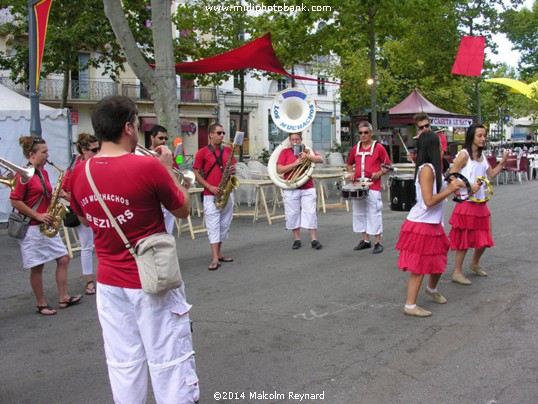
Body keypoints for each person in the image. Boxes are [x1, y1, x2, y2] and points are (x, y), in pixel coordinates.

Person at [69, 96, 199, 403]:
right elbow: (183, 210)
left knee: (123, 362)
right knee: (169, 359)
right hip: (151, 281)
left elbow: (88, 219)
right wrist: (167, 168)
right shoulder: (148, 167)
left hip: (109, 283)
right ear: (129, 127)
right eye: (138, 122)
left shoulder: (80, 172)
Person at [396, 131, 465, 317]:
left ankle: (431, 289)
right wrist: (450, 189)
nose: (444, 148)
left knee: (439, 257)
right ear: (433, 148)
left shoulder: (434, 168)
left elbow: (444, 188)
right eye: (441, 145)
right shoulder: (427, 169)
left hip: (432, 224)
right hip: (421, 224)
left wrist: (461, 186)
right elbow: (428, 201)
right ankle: (410, 305)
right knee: (419, 266)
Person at [10, 136, 81, 315]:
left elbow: (46, 194)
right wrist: (38, 215)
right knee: (38, 266)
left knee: (64, 258)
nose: (47, 155)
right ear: (32, 154)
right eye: (44, 152)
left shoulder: (44, 173)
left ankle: (63, 297)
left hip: (46, 222)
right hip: (32, 227)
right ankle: (41, 304)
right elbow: (15, 201)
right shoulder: (23, 174)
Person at [448, 123, 509, 285]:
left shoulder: (482, 157)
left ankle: (474, 263)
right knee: (464, 240)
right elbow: (451, 177)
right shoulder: (464, 155)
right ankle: (457, 272)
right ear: (471, 137)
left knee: (486, 236)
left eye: (484, 135)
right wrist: (468, 185)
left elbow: (491, 174)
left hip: (481, 203)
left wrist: (502, 162)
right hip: (466, 203)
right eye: (479, 136)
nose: (483, 138)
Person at [193, 123, 236, 270]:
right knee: (213, 226)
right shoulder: (202, 152)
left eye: (223, 133)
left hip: (226, 193)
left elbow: (232, 171)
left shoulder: (229, 150)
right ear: (211, 135)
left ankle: (219, 253)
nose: (222, 136)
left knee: (224, 225)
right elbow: (196, 173)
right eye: (219, 133)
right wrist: (210, 187)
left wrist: (232, 170)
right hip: (210, 194)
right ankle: (215, 258)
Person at [62, 133, 100, 295]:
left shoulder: (98, 163)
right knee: (86, 246)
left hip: (99, 210)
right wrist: (81, 202)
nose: (98, 152)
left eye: (99, 148)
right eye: (94, 149)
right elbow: (65, 191)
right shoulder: (76, 168)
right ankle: (89, 282)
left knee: (101, 245)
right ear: (84, 150)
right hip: (84, 211)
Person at [346, 122, 391, 254]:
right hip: (358, 185)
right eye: (361, 133)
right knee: (359, 212)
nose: (363, 135)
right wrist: (351, 173)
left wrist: (380, 173)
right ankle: (365, 240)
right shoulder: (355, 148)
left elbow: (387, 165)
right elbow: (349, 164)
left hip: (373, 185)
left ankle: (378, 241)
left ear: (371, 133)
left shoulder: (379, 148)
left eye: (366, 132)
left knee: (374, 212)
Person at [276, 132, 324, 250]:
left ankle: (314, 239)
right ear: (290, 141)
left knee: (310, 213)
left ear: (301, 140)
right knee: (292, 214)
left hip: (307, 187)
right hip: (291, 188)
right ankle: (297, 239)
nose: (295, 142)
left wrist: (308, 157)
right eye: (293, 139)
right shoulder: (285, 152)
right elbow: (279, 169)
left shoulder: (307, 151)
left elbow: (320, 159)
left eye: (297, 139)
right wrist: (295, 164)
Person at [148, 124, 176, 235]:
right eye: (160, 138)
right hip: (152, 201)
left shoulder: (168, 155)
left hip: (167, 200)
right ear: (152, 138)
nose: (163, 141)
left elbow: (175, 170)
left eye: (165, 138)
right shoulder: (144, 155)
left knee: (168, 235)